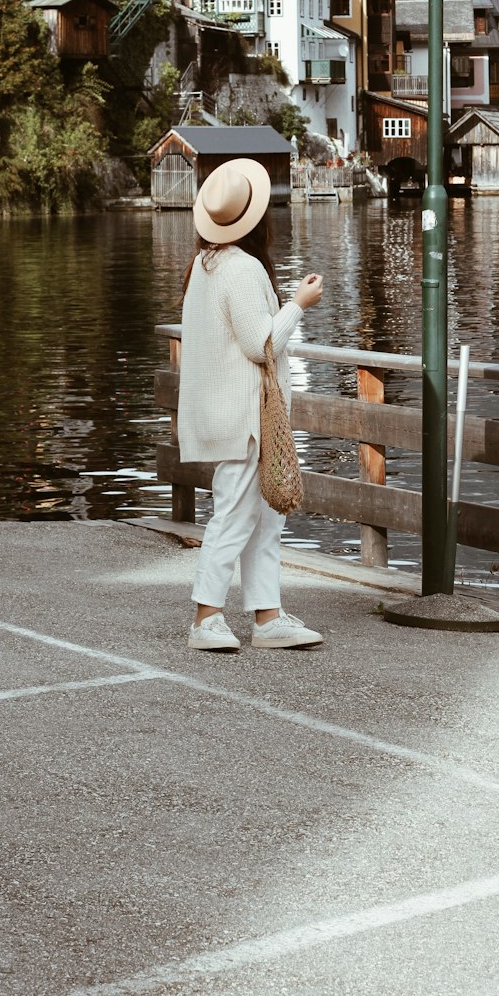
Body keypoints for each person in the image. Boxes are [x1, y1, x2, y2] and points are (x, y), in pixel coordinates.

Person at [178, 159, 324, 652]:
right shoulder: (241, 268)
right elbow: (261, 344)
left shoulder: (206, 263)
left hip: (230, 410)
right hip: (244, 415)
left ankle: (266, 616)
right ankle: (206, 617)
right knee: (239, 515)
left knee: (262, 517)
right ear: (257, 219)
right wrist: (299, 305)